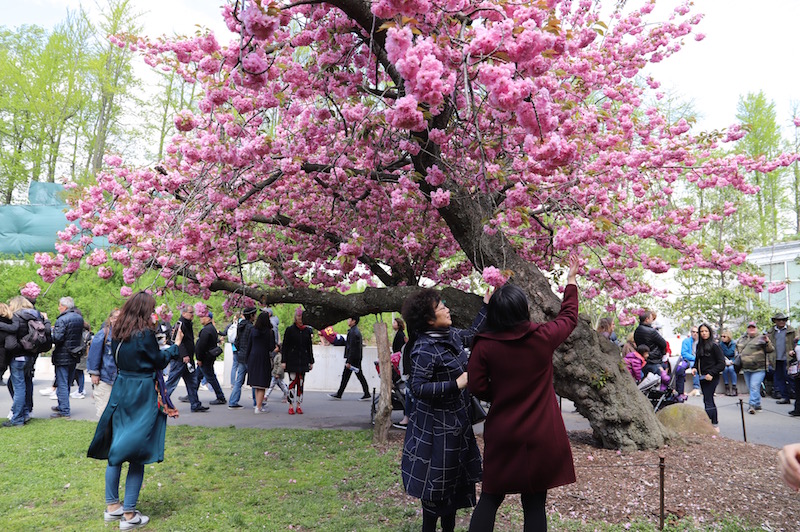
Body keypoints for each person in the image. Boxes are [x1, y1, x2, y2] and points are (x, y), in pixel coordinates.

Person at [467, 257, 579, 532]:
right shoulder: (542, 337)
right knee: (534, 503)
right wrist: (571, 281)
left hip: (504, 431)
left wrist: (502, 393)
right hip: (541, 433)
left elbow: (476, 385)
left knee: (491, 497)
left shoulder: (485, 346)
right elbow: (569, 317)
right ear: (523, 310)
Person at [87, 291, 183, 530]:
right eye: (151, 310)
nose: (153, 314)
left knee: (118, 447)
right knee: (138, 450)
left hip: (121, 388)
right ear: (144, 310)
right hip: (141, 390)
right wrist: (175, 347)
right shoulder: (145, 334)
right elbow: (158, 361)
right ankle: (129, 515)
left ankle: (112, 506)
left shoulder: (118, 330)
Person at [400, 286, 490, 532]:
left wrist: (486, 304)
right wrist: (456, 383)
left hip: (456, 427)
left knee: (452, 495)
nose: (447, 310)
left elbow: (473, 334)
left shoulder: (450, 335)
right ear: (429, 319)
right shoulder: (424, 348)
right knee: (434, 497)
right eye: (441, 308)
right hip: (435, 433)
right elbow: (417, 388)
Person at [167, 305, 208, 412]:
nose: (193, 315)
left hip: (188, 359)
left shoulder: (187, 324)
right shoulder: (180, 324)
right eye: (190, 312)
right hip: (181, 360)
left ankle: (195, 404)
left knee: (192, 383)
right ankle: (160, 402)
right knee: (171, 382)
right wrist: (184, 355)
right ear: (184, 313)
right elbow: (177, 341)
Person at [51, 297, 85, 419]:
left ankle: (64, 410)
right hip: (74, 354)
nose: (59, 308)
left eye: (59, 305)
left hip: (62, 355)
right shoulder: (79, 318)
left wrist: (51, 333)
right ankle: (62, 406)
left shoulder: (62, 320)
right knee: (67, 382)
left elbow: (58, 338)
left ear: (64, 307)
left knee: (62, 382)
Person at [688, 323, 725, 430]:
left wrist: (712, 373)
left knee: (708, 400)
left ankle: (713, 424)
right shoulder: (699, 345)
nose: (704, 333)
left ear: (710, 332)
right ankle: (712, 423)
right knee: (707, 400)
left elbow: (721, 363)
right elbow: (697, 359)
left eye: (706, 331)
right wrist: (694, 367)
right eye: (702, 331)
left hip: (712, 377)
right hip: (702, 376)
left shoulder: (715, 346)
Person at [87, 309, 121, 418]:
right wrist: (94, 373)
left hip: (121, 378)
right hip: (105, 377)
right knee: (103, 408)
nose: (118, 320)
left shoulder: (126, 335)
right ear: (110, 319)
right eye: (115, 317)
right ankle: (104, 433)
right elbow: (94, 354)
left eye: (120, 317)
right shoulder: (103, 334)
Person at [736, 321, 774, 415]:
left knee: (754, 386)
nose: (751, 329)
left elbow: (770, 349)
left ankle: (752, 405)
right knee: (752, 387)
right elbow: (737, 350)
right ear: (747, 329)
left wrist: (767, 341)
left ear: (756, 328)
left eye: (753, 327)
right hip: (746, 368)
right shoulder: (742, 339)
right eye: (749, 327)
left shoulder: (762, 338)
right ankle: (757, 404)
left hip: (759, 368)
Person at [281, 307, 314, 415]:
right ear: (295, 317)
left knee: (301, 383)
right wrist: (283, 360)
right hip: (292, 360)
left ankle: (299, 404)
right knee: (292, 383)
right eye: (298, 316)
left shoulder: (307, 331)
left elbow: (309, 347)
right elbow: (285, 346)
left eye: (301, 317)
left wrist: (311, 361)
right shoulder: (290, 330)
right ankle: (290, 405)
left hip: (303, 360)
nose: (300, 319)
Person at [330, 317, 370, 401]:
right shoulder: (354, 331)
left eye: (349, 319)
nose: (348, 321)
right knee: (349, 376)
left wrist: (349, 361)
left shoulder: (353, 332)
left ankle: (366, 393)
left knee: (355, 375)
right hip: (356, 358)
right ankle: (340, 393)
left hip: (353, 359)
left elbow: (352, 348)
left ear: (354, 321)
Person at [247, 312, 276, 414]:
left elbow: (249, 345)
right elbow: (271, 347)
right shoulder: (269, 332)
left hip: (253, 357)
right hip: (263, 357)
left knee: (256, 383)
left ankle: (257, 405)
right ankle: (258, 407)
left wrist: (247, 358)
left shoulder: (253, 330)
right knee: (262, 384)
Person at [194, 309, 225, 405]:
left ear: (208, 318)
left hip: (205, 358)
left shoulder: (206, 330)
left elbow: (201, 346)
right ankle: (192, 394)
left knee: (210, 377)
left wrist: (199, 358)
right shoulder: (212, 329)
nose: (200, 319)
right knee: (197, 376)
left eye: (202, 317)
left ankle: (220, 397)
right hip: (209, 356)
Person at [229, 306, 257, 409]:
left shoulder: (240, 326)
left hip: (241, 355)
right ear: (251, 316)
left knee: (239, 380)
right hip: (249, 356)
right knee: (254, 380)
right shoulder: (251, 328)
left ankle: (233, 401)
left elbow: (236, 341)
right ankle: (256, 402)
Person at [768, 312, 796, 405]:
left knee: (791, 378)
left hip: (789, 359)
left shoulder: (791, 331)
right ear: (775, 321)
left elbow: (796, 343)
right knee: (779, 378)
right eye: (779, 320)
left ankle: (797, 397)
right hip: (776, 359)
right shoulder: (771, 332)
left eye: (784, 320)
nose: (782, 321)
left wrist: (794, 352)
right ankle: (785, 397)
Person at [633, 309, 668, 377]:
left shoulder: (637, 331)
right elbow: (664, 343)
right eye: (651, 318)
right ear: (647, 319)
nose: (652, 321)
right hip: (654, 360)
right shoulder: (651, 331)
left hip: (643, 360)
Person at [70, 321, 92, 399]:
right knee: (80, 373)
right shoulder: (88, 334)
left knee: (78, 373)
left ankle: (80, 391)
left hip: (79, 354)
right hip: (85, 355)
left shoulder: (79, 334)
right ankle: (80, 390)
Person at [680, 326, 700, 396]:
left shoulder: (701, 342)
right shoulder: (686, 341)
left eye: (697, 332)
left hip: (700, 360)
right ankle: (696, 388)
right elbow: (684, 353)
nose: (695, 334)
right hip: (689, 360)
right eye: (693, 332)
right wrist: (695, 358)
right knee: (695, 366)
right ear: (691, 333)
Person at [718, 329, 738, 396]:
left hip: (733, 361)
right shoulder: (720, 345)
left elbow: (736, 354)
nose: (722, 338)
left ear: (728, 337)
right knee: (725, 369)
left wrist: (733, 361)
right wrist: (724, 361)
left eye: (724, 336)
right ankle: (726, 387)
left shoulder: (734, 344)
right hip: (724, 361)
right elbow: (720, 354)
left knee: (731, 369)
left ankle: (734, 387)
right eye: (722, 336)